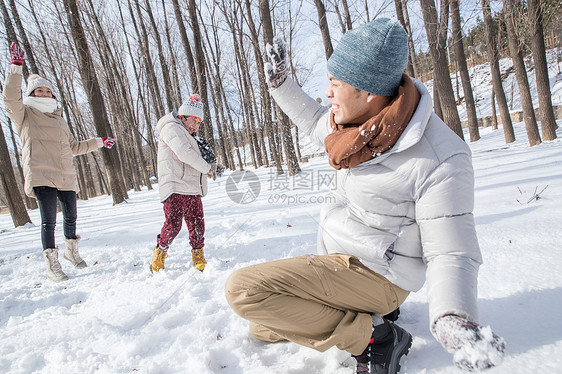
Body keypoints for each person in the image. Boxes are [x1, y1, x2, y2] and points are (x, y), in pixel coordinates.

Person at [225, 19, 505, 373]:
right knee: (262, 324)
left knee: (244, 292)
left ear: (368, 91)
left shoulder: (439, 155)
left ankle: (376, 338)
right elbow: (314, 122)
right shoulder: (357, 126)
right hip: (343, 262)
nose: (327, 94)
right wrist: (281, 84)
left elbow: (452, 250)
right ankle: (364, 315)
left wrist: (454, 317)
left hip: (379, 276)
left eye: (335, 84)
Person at [3, 43, 115, 282]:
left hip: (65, 174)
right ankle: (52, 265)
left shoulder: (59, 118)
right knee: (48, 221)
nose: (43, 94)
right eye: (38, 91)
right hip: (41, 173)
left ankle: (71, 254)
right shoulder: (24, 115)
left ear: (52, 95)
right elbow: (10, 98)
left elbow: (74, 147)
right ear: (31, 94)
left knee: (71, 216)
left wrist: (98, 141)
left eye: (47, 91)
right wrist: (15, 68)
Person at [150, 94, 215, 273]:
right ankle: (160, 253)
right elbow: (184, 153)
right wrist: (206, 167)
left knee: (197, 224)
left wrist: (205, 155)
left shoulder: (189, 135)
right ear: (183, 116)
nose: (195, 125)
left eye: (199, 122)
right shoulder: (171, 127)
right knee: (174, 224)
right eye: (192, 120)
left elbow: (191, 154)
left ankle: (198, 254)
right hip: (175, 186)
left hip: (191, 187)